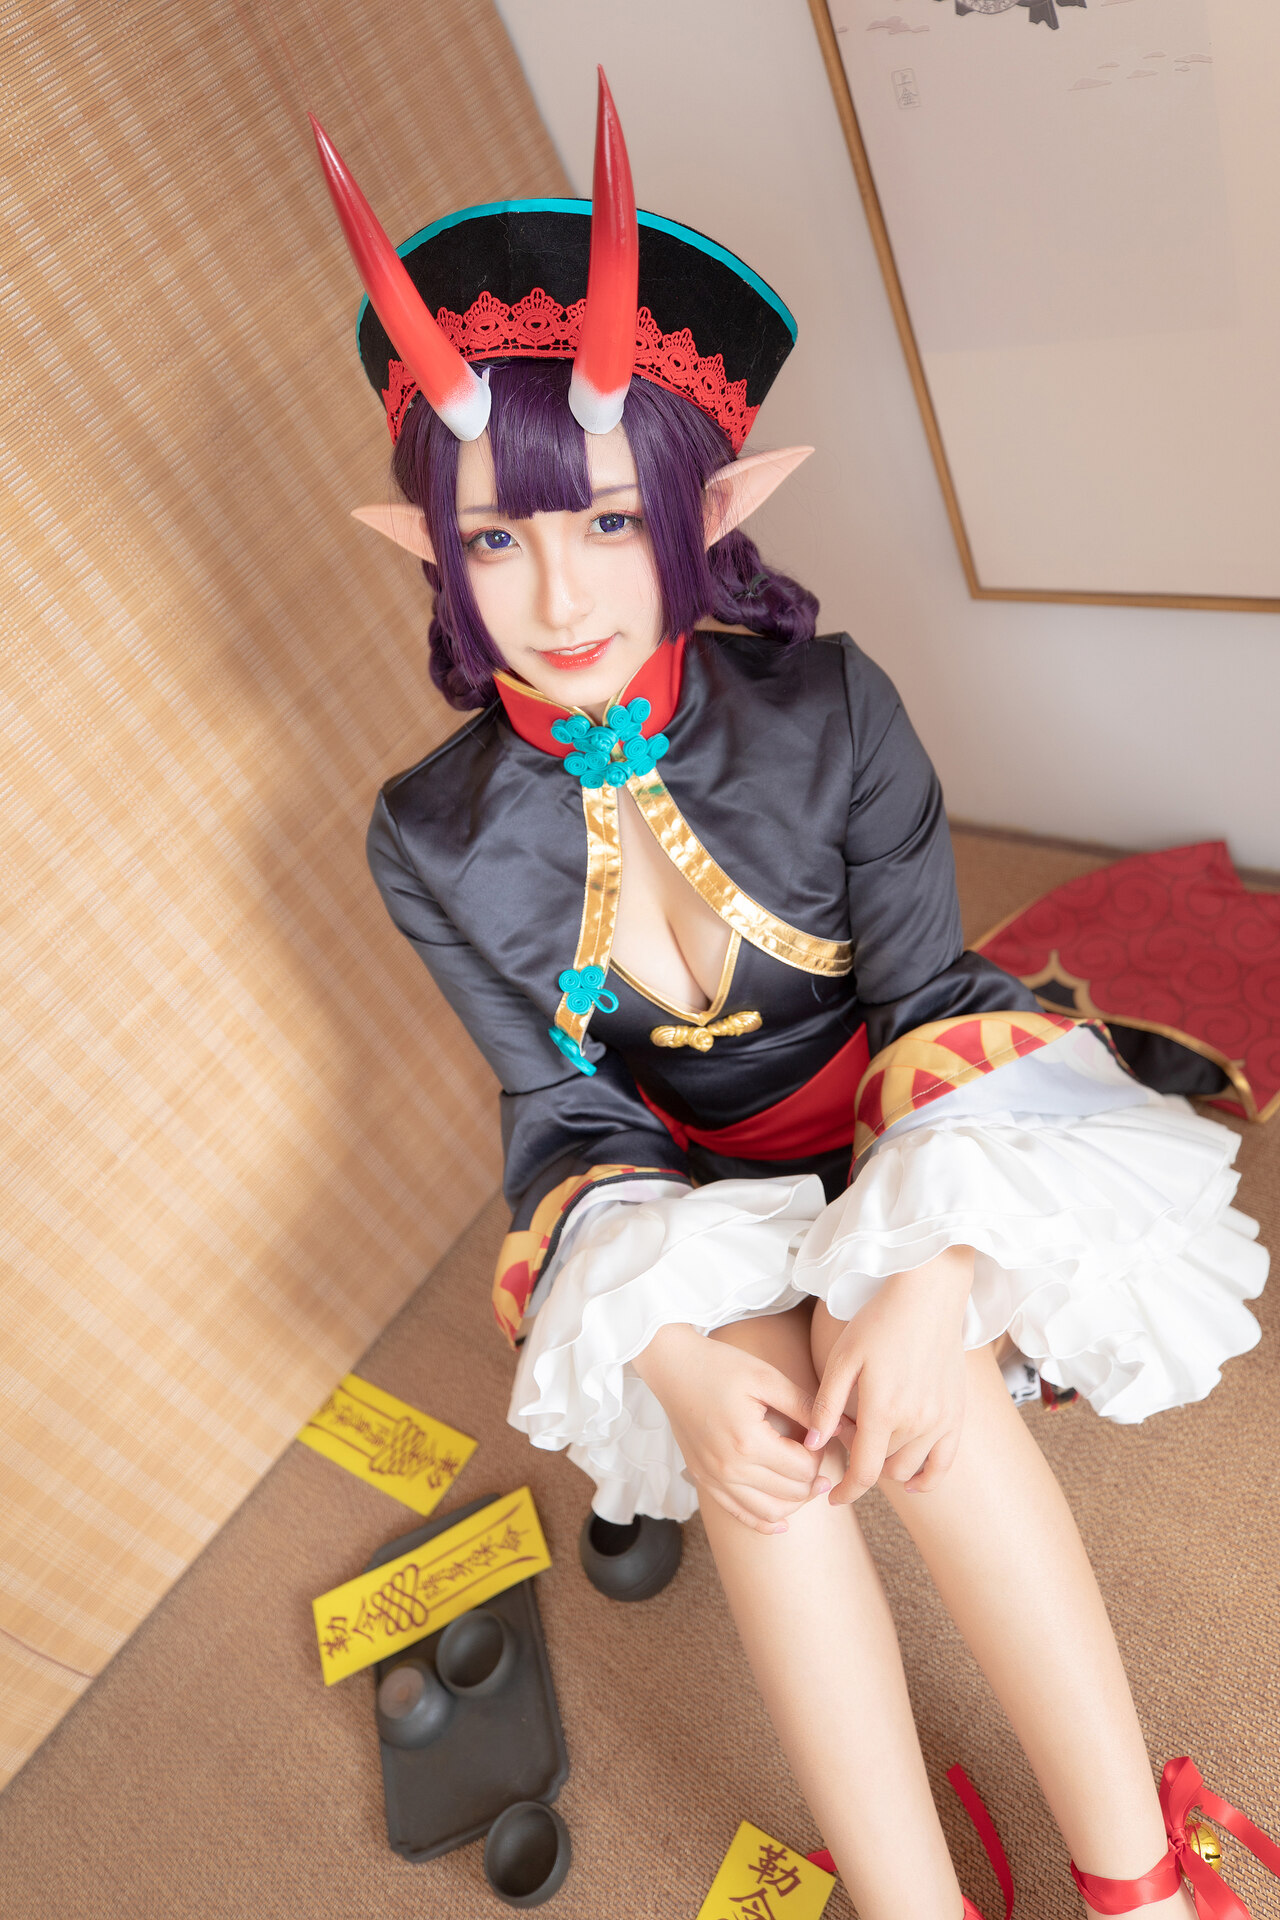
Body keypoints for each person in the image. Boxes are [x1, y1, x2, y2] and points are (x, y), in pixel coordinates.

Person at [312, 74, 1275, 1920]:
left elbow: (922, 991)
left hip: (915, 1127)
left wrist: (937, 1269)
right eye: (495, 537)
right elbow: (565, 1109)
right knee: (766, 1468)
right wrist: (673, 1356)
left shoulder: (831, 707)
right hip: (688, 1198)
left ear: (714, 506)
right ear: (427, 545)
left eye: (607, 520)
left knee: (935, 1402)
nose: (556, 593)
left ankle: (1139, 1885)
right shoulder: (425, 837)